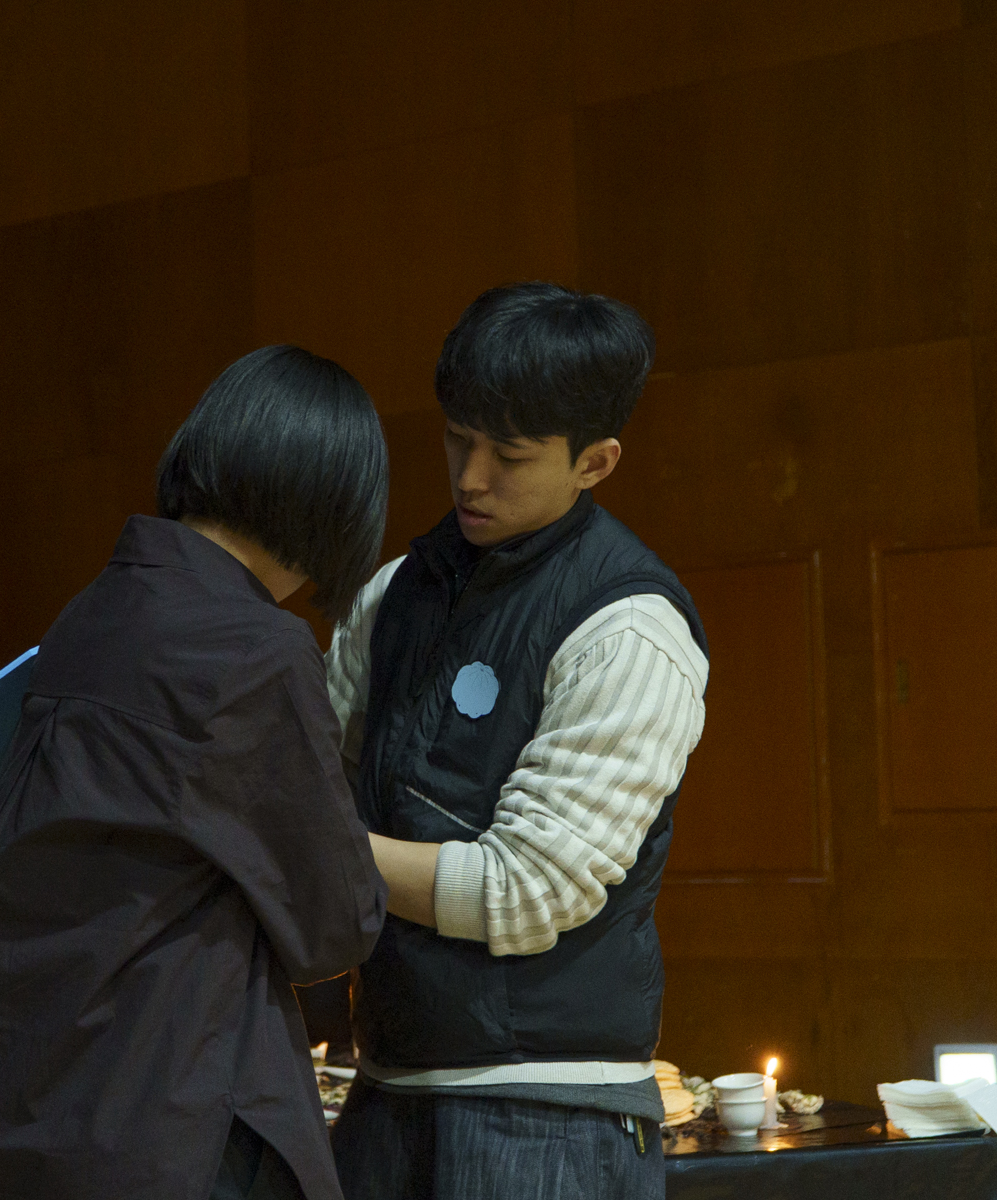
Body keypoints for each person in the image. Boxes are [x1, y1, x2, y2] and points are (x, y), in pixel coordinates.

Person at [0, 345, 390, 1200]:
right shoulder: (257, 650)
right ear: (331, 506)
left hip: (25, 1114)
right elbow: (338, 924)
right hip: (169, 1122)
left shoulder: (92, 614)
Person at [326, 284, 710, 1200]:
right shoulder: (393, 593)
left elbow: (527, 890)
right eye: (458, 438)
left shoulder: (629, 628)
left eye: (509, 455)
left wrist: (313, 847)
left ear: (595, 463)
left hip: (549, 1110)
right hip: (385, 1082)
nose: (469, 477)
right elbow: (311, 781)